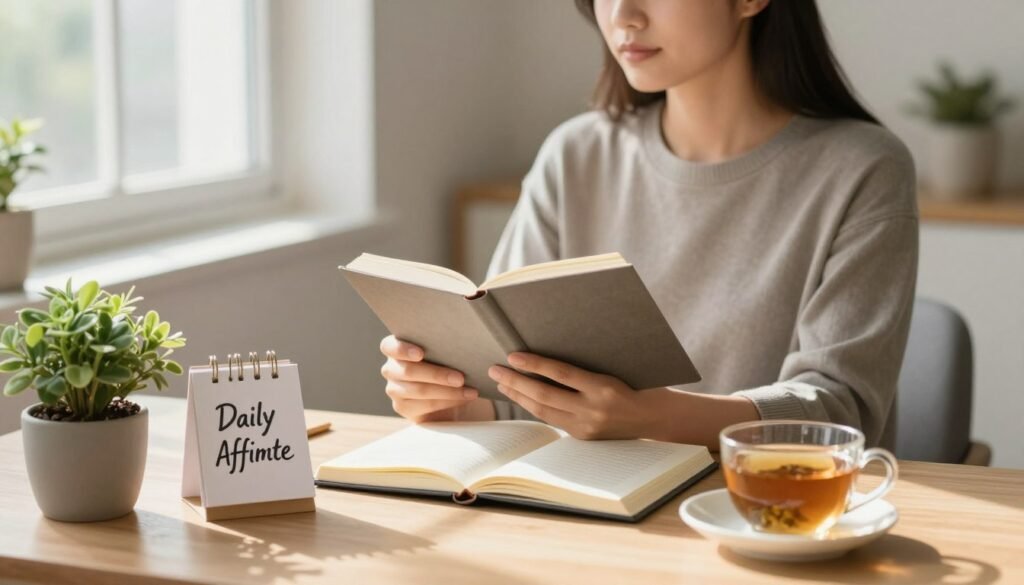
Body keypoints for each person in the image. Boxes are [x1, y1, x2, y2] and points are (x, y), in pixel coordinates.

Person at [378, 0, 917, 450]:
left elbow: (839, 412)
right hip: (590, 516)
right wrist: (448, 402)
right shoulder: (575, 155)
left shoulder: (862, 168)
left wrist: (652, 418)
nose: (623, 16)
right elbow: (511, 390)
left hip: (770, 515)